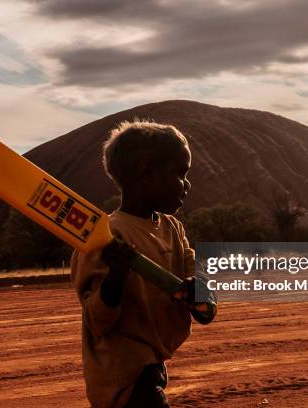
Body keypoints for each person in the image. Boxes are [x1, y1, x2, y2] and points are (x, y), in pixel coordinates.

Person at [71, 120, 216, 408]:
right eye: (180, 173)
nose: (187, 184)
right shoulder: (108, 236)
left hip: (151, 365)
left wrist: (200, 295)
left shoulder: (173, 228)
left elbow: (199, 290)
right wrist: (116, 275)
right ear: (146, 174)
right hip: (120, 373)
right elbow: (97, 321)